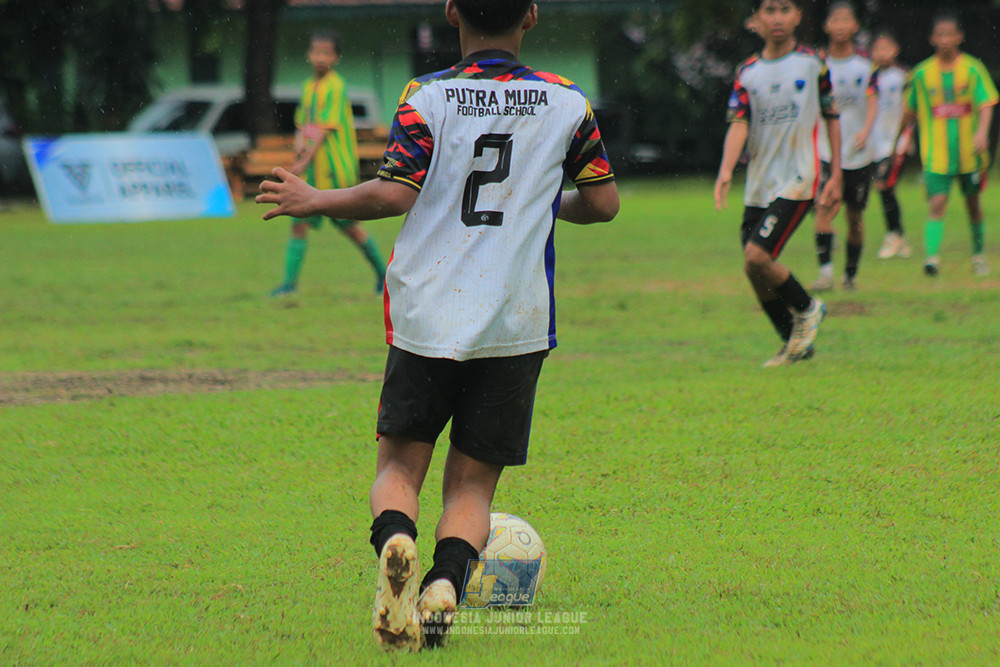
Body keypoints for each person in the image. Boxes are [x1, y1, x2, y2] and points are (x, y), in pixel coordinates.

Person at [257, 0, 618, 651]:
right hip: (516, 322)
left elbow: (395, 191)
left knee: (399, 465)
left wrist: (315, 198)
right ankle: (446, 582)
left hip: (427, 316)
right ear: (531, 16)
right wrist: (535, 200)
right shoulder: (568, 103)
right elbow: (604, 202)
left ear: (452, 12)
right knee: (473, 483)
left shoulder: (427, 96)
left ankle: (397, 536)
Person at [714, 0, 835, 368]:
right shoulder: (747, 72)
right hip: (759, 181)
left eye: (785, 9)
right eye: (769, 9)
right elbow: (739, 122)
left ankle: (808, 307)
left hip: (800, 175)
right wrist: (725, 170)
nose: (777, 17)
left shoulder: (813, 63)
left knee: (758, 255)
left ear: (798, 15)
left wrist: (838, 172)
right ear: (755, 20)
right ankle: (794, 344)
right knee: (753, 268)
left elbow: (832, 116)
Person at [269, 29, 387, 297]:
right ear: (309, 54)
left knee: (349, 226)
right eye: (316, 52)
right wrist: (299, 148)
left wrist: (301, 161)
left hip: (333, 170)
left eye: (327, 53)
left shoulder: (336, 85)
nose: (320, 58)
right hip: (312, 170)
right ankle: (289, 285)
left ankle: (383, 275)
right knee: (297, 221)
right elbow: (304, 124)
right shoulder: (308, 87)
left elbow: (322, 130)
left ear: (336, 58)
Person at [902, 11, 998, 277]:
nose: (945, 40)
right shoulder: (921, 74)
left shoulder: (972, 69)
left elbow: (987, 103)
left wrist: (981, 133)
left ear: (959, 36)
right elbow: (909, 111)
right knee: (937, 202)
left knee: (973, 205)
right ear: (933, 38)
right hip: (936, 154)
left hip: (970, 153)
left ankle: (978, 255)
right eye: (940, 34)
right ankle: (931, 258)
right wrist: (900, 139)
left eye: (950, 34)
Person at [812, 1, 878, 291]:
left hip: (859, 154)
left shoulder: (865, 64)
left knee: (854, 216)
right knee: (824, 208)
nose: (839, 26)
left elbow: (873, 99)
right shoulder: (816, 64)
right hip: (827, 151)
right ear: (826, 26)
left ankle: (850, 275)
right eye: (834, 20)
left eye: (845, 20)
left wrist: (866, 130)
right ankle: (825, 273)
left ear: (855, 26)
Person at [871, 29, 913, 260]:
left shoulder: (903, 76)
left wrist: (906, 141)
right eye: (877, 48)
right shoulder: (871, 77)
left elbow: (911, 109)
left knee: (884, 185)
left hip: (897, 143)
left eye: (886, 48)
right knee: (886, 189)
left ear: (895, 50)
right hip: (877, 143)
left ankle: (892, 236)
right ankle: (900, 237)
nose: (881, 53)